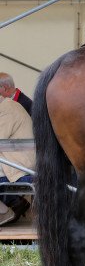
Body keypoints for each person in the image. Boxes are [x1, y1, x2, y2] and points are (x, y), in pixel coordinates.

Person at [0, 97, 35, 226]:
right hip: (15, 160)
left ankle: (4, 212)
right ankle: (15, 202)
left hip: (20, 164)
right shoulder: (7, 106)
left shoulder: (7, 109)